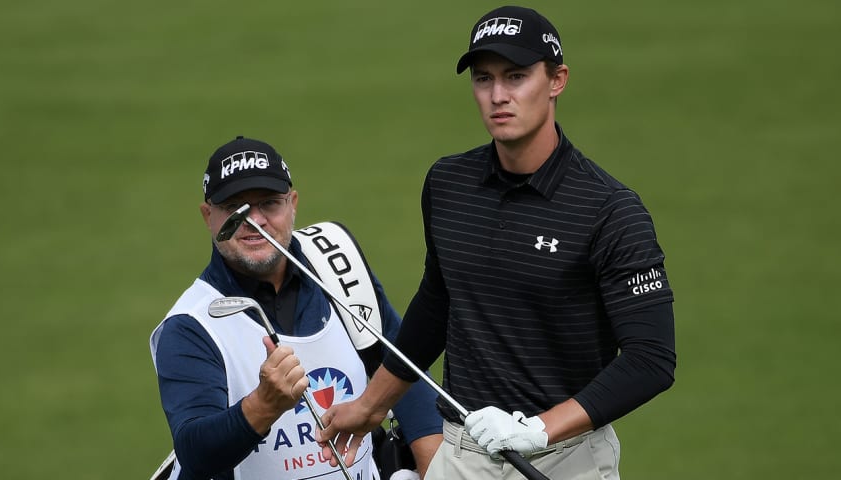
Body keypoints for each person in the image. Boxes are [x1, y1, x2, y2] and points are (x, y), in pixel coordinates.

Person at [317, 6, 676, 479]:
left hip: (568, 459)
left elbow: (651, 360)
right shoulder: (448, 183)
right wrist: (370, 405)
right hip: (463, 456)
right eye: (484, 79)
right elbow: (438, 302)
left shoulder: (609, 211)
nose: (498, 96)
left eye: (516, 76)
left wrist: (538, 430)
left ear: (557, 80)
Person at [149, 136, 443, 480]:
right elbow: (195, 452)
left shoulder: (335, 262)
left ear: (293, 204)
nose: (254, 220)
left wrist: (433, 466)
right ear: (208, 216)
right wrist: (262, 406)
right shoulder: (191, 324)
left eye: (269, 204)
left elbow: (400, 365)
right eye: (234, 208)